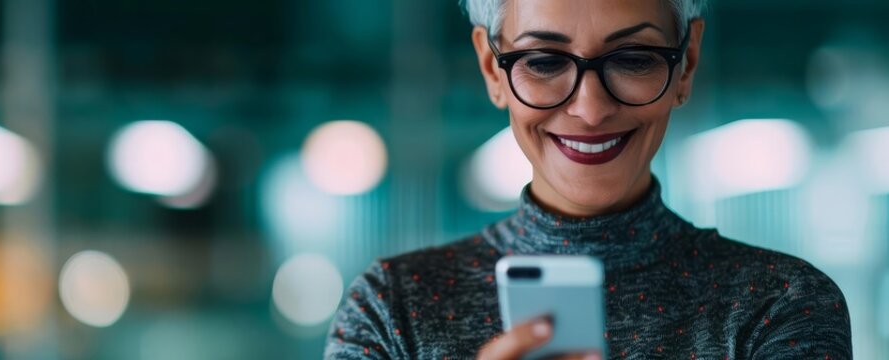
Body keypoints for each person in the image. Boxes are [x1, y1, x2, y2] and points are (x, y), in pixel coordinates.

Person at [324, 0, 853, 359]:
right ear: (492, 69)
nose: (591, 108)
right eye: (543, 61)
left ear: (686, 63)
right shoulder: (392, 309)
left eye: (634, 58)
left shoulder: (778, 305)